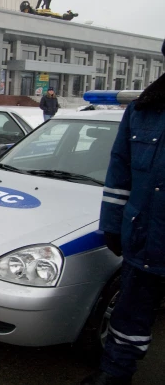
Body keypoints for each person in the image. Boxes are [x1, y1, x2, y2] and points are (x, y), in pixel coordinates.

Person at [81, 39, 165, 385]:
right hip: (144, 238)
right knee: (129, 316)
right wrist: (113, 226)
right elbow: (119, 172)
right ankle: (115, 374)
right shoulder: (144, 110)